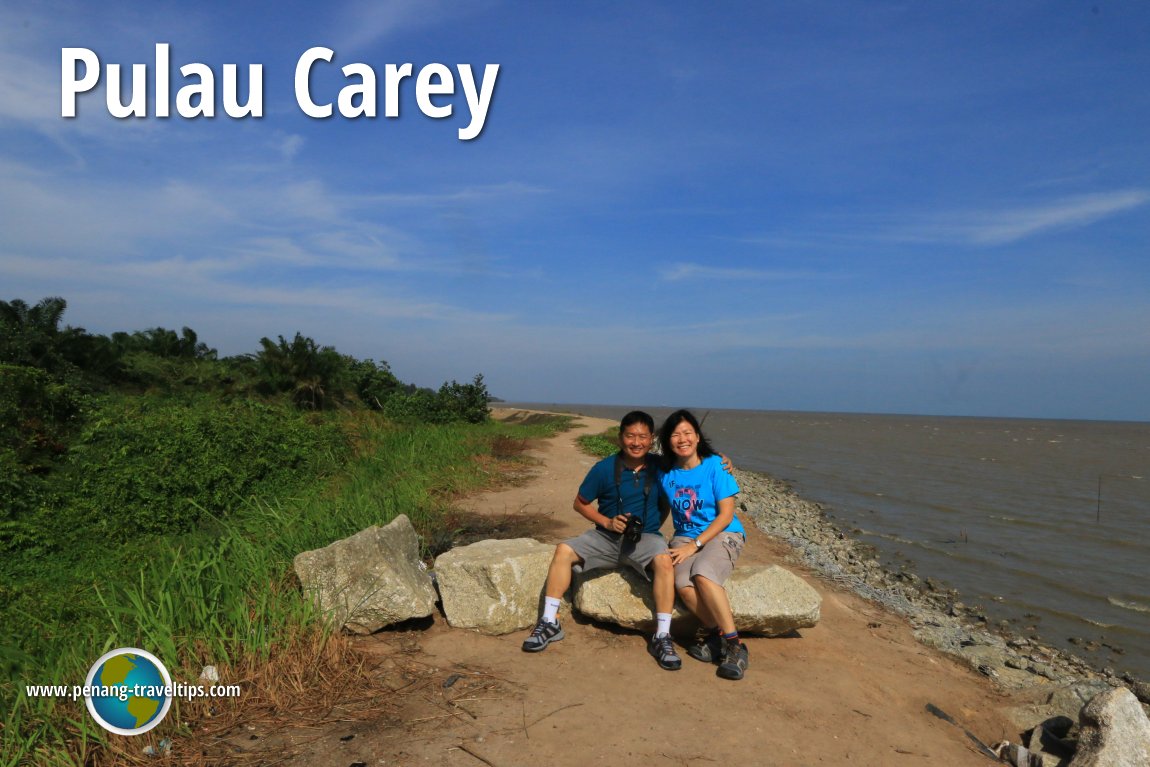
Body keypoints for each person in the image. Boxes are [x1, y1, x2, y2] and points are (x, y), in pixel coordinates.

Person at [522, 410, 683, 671]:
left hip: (646, 539)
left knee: (664, 561)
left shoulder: (661, 466)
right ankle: (550, 621)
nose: (636, 442)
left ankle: (662, 635)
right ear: (620, 438)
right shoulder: (604, 468)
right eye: (630, 436)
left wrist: (722, 459)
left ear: (652, 438)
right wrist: (607, 522)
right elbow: (579, 503)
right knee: (563, 549)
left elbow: (693, 461)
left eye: (643, 437)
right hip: (604, 537)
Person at [658, 408, 749, 680]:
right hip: (684, 536)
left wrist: (694, 546)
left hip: (723, 533)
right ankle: (714, 635)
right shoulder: (665, 473)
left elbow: (726, 515)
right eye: (675, 434)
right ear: (668, 441)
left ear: (697, 437)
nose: (682, 439)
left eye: (687, 433)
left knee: (704, 575)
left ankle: (735, 645)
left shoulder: (715, 466)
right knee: (683, 586)